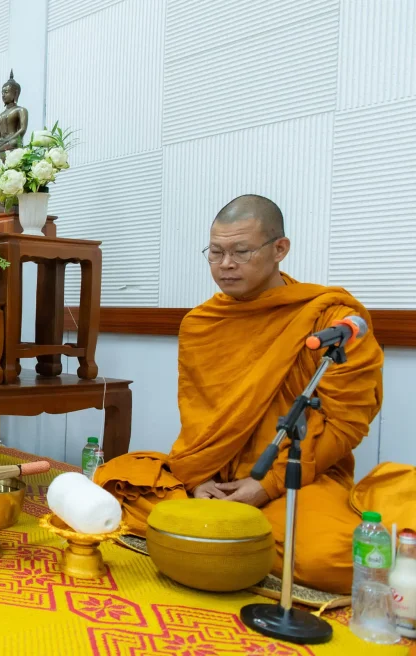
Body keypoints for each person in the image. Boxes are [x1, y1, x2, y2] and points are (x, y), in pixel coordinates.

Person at [95, 195, 384, 595]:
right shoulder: (200, 324)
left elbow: (347, 422)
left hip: (295, 476)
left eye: (241, 252)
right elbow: (199, 419)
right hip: (215, 480)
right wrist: (199, 480)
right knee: (112, 481)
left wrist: (266, 485)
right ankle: (226, 534)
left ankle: (212, 535)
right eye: (216, 252)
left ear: (280, 249)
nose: (226, 265)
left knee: (332, 557)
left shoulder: (328, 318)